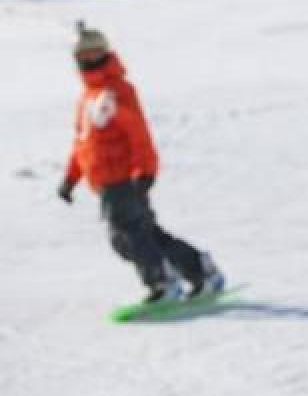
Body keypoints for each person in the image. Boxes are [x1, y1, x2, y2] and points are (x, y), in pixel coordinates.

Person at [57, 22, 225, 304]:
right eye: (82, 57)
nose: (88, 61)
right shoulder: (88, 98)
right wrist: (70, 178)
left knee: (125, 237)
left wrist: (145, 171)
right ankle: (201, 271)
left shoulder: (117, 90)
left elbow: (138, 133)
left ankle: (163, 283)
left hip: (123, 178)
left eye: (94, 54)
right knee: (148, 235)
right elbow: (83, 143)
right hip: (107, 182)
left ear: (106, 53)